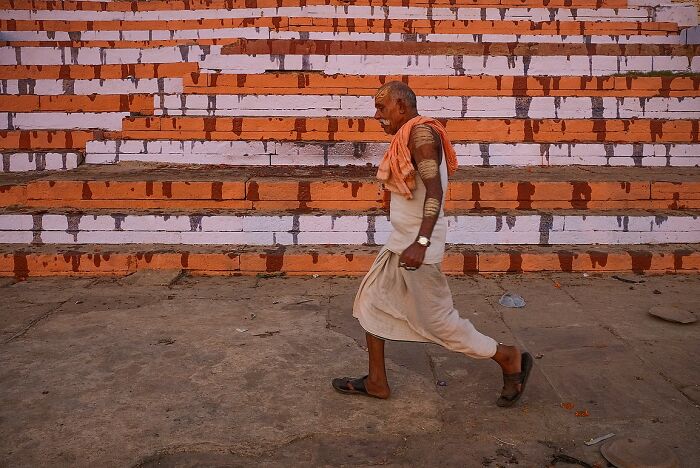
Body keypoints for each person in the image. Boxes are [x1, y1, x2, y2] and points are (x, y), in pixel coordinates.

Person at [331, 81, 532, 407]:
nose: (377, 115)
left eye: (382, 108)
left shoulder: (421, 135)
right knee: (370, 303)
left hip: (416, 248)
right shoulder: (409, 134)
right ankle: (376, 381)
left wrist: (421, 242)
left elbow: (435, 192)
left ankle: (508, 357)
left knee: (442, 325)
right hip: (401, 242)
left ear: (401, 105)